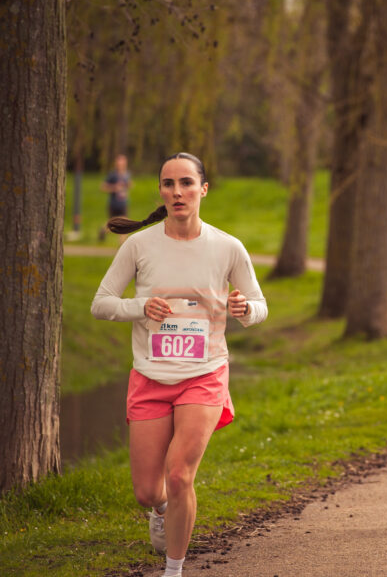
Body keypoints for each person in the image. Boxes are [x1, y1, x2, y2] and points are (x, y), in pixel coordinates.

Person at [91, 153, 267, 577]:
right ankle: (161, 509)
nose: (177, 192)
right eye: (168, 184)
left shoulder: (227, 247)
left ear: (203, 189)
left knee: (180, 474)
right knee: (148, 490)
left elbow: (259, 307)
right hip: (150, 375)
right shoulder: (139, 245)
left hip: (204, 373)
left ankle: (174, 569)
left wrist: (244, 309)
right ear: (161, 192)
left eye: (186, 183)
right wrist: (138, 306)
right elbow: (101, 303)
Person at [100, 153, 133, 242]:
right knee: (114, 225)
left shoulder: (127, 174)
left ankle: (121, 245)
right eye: (119, 163)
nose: (121, 165)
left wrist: (129, 185)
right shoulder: (112, 175)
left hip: (123, 203)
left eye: (123, 163)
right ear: (116, 164)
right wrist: (114, 188)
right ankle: (104, 230)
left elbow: (128, 184)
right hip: (114, 204)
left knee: (125, 224)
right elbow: (103, 187)